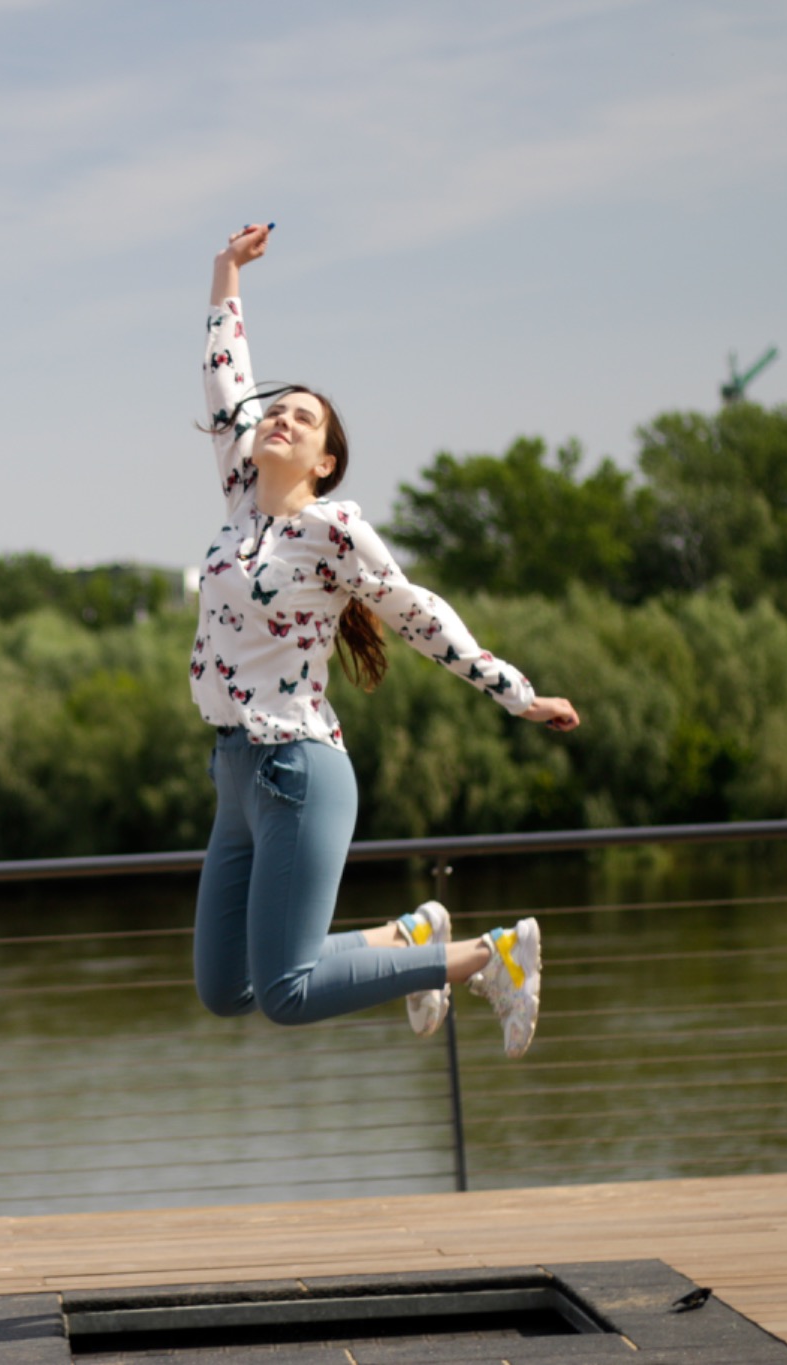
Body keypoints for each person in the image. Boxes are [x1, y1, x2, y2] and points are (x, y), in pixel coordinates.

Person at [189, 223, 579, 1057]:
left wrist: (515, 691)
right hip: (234, 770)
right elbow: (228, 384)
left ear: (326, 461)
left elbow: (415, 610)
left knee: (286, 995)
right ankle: (408, 939)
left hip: (297, 769)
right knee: (230, 987)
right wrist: (226, 274)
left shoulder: (333, 530)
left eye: (303, 419)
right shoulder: (240, 503)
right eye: (277, 412)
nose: (280, 420)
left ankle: (483, 955)